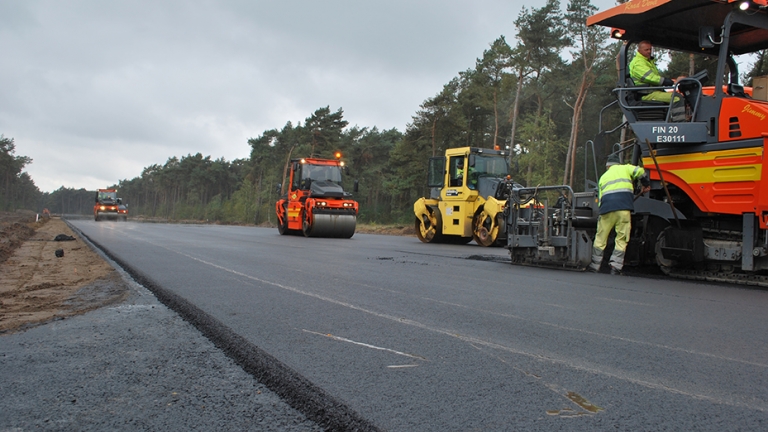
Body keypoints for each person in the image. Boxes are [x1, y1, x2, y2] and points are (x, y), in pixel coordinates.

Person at [589, 154, 650, 275]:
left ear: (608, 166)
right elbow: (641, 171)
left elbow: (600, 199)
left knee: (600, 238)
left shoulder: (603, 177)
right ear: (618, 164)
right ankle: (615, 267)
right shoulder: (626, 168)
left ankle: (594, 266)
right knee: (621, 238)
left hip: (606, 210)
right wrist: (645, 184)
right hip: (623, 210)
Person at [629, 40, 686, 121]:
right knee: (677, 98)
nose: (649, 51)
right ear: (639, 51)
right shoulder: (638, 63)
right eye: (646, 50)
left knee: (676, 95)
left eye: (650, 49)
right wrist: (667, 81)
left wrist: (673, 80)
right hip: (646, 94)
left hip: (652, 92)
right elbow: (651, 78)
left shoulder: (647, 61)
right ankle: (681, 125)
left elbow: (655, 78)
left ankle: (673, 121)